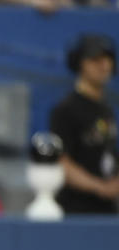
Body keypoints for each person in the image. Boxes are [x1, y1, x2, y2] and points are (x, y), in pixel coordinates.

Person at [49, 33, 119, 215]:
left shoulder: (106, 109)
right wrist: (99, 187)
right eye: (95, 59)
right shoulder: (66, 110)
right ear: (81, 63)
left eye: (108, 59)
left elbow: (108, 152)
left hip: (108, 209)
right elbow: (61, 161)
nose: (104, 66)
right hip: (76, 208)